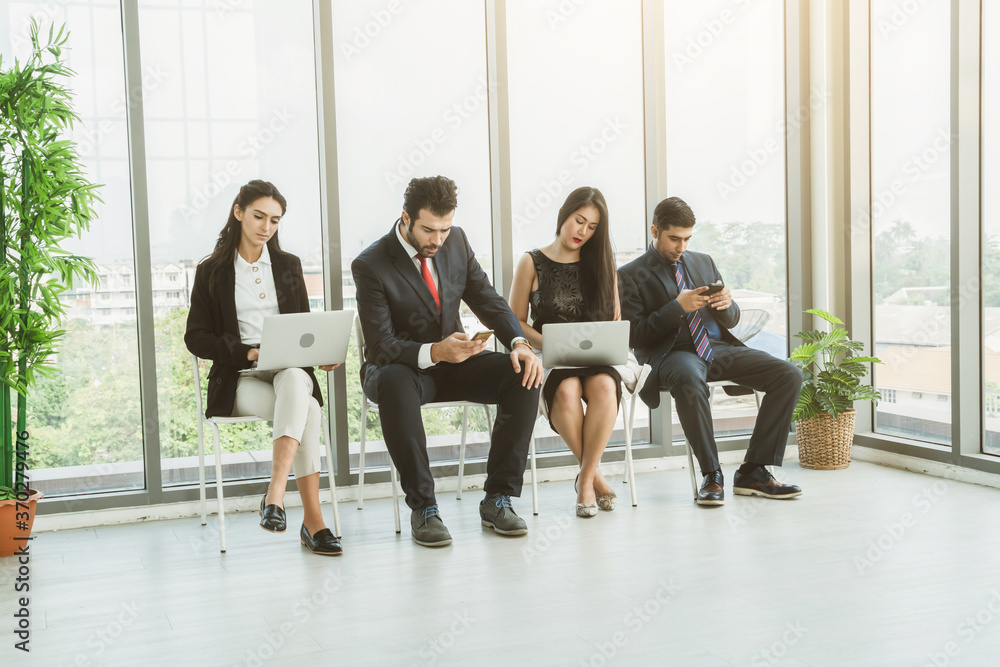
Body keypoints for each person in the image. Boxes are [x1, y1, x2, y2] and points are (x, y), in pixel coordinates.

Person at [352, 175, 543, 548]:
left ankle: (497, 499)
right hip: (399, 369)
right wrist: (435, 351)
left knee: (522, 374)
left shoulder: (455, 242)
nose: (437, 240)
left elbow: (487, 298)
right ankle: (424, 507)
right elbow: (381, 346)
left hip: (455, 363)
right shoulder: (371, 264)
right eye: (428, 230)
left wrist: (519, 342)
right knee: (394, 382)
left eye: (445, 229)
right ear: (405, 218)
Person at [185, 179, 343, 555]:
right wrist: (248, 353)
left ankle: (274, 495)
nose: (266, 227)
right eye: (259, 216)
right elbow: (196, 337)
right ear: (239, 213)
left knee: (294, 380)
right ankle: (314, 523)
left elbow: (302, 328)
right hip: (239, 379)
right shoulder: (212, 271)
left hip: (289, 372)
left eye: (275, 220)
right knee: (309, 411)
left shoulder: (288, 266)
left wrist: (320, 352)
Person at [618, 196, 803, 506]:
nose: (681, 247)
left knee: (788, 374)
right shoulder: (629, 274)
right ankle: (711, 474)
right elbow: (635, 335)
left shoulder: (703, 262)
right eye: (674, 238)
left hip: (716, 348)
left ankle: (753, 470)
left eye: (687, 238)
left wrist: (728, 305)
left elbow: (731, 320)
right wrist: (677, 307)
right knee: (690, 379)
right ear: (655, 231)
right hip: (672, 354)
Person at [508, 186, 642, 518]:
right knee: (566, 392)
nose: (583, 232)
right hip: (554, 355)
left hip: (600, 355)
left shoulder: (601, 262)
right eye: (579, 221)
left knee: (603, 387)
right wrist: (548, 343)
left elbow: (614, 319)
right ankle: (593, 475)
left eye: (592, 227)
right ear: (564, 215)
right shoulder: (531, 262)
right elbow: (513, 322)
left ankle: (583, 482)